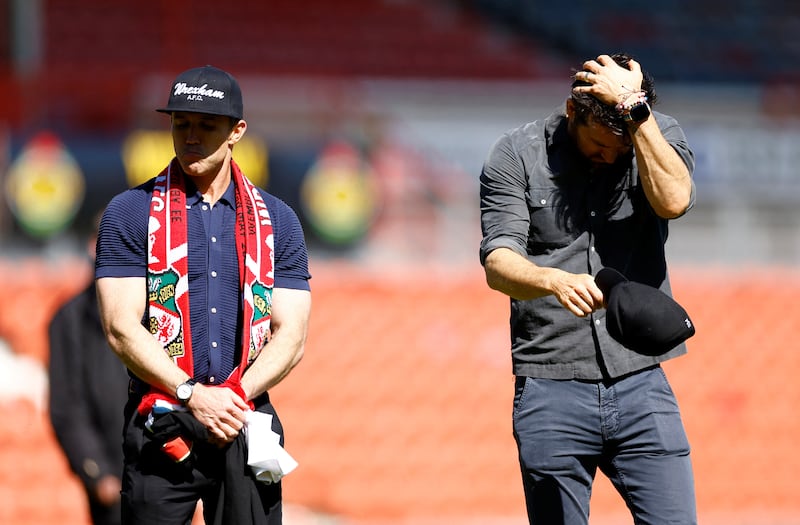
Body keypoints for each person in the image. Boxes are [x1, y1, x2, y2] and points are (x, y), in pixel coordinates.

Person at [479, 53, 697, 524]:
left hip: (642, 380)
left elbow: (675, 200)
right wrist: (551, 280)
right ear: (573, 110)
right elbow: (498, 262)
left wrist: (637, 115)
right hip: (550, 386)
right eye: (601, 146)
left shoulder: (655, 134)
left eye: (620, 151)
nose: (611, 158)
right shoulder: (516, 153)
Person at [95, 65, 312, 525]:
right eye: (181, 123)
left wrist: (230, 400)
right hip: (162, 421)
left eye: (206, 125)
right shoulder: (130, 212)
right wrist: (194, 395)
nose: (190, 136)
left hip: (244, 417)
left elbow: (291, 334)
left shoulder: (280, 220)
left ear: (237, 131)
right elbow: (119, 326)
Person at [49, 211, 128, 525]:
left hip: (164, 476)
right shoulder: (71, 319)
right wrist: (96, 471)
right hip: (111, 481)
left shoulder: (161, 310)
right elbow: (67, 406)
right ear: (92, 246)